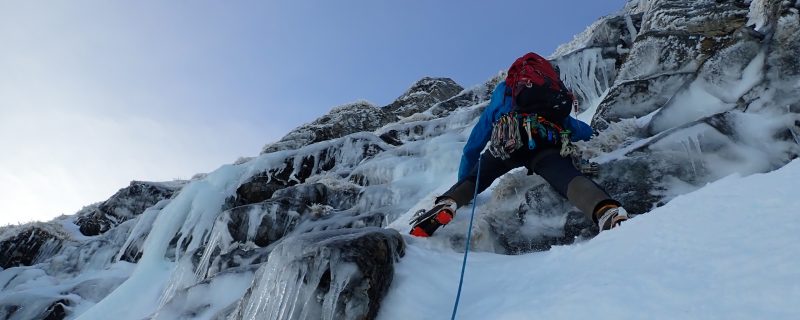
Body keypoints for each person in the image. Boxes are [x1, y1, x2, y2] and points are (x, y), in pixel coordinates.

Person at [410, 52, 628, 237]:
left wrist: (464, 182)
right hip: (544, 140)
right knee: (564, 175)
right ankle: (604, 209)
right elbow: (572, 126)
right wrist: (594, 134)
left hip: (506, 140)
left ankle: (449, 203)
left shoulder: (504, 92)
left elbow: (473, 146)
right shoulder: (547, 95)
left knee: (478, 177)